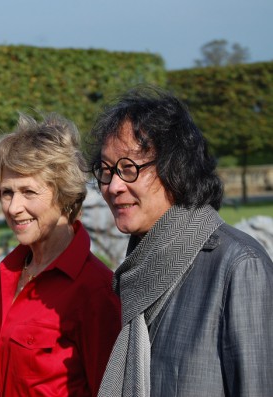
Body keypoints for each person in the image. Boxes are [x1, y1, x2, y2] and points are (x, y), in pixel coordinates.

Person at [88, 85, 273, 397]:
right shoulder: (139, 270)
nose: (113, 186)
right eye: (106, 171)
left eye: (129, 169)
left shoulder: (239, 267)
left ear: (176, 169)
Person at [0, 112, 122, 396]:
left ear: (64, 195)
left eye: (29, 192)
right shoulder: (0, 278)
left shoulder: (96, 291)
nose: (14, 207)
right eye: (7, 192)